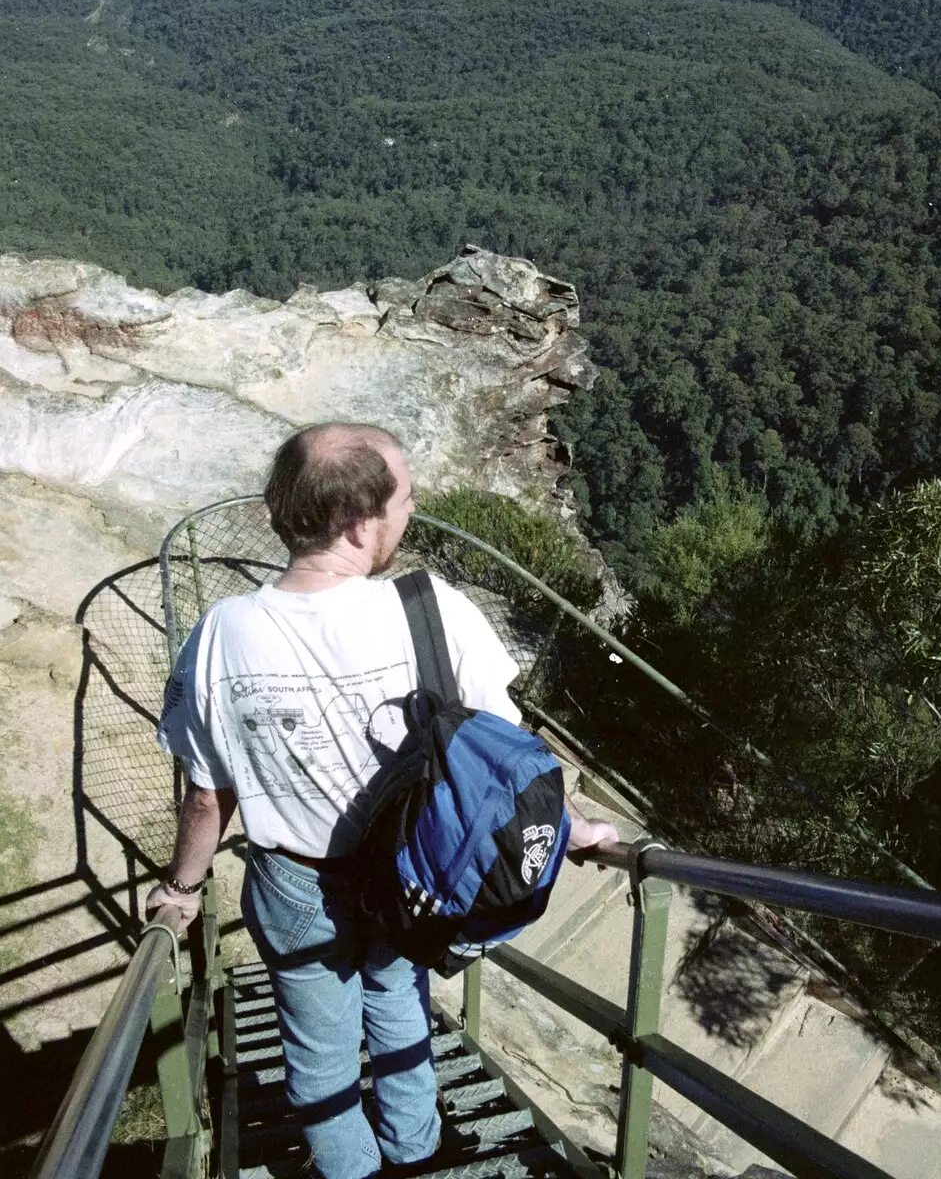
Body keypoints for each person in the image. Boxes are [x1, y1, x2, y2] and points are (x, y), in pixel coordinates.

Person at [148, 422, 617, 1179]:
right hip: (414, 870)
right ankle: (414, 1148)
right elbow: (504, 755)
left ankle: (349, 1169)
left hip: (296, 878)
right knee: (399, 992)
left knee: (317, 1042)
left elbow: (208, 796)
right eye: (405, 497)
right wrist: (572, 826)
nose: (412, 508)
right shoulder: (428, 606)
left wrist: (182, 890)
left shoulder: (220, 633)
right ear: (363, 523)